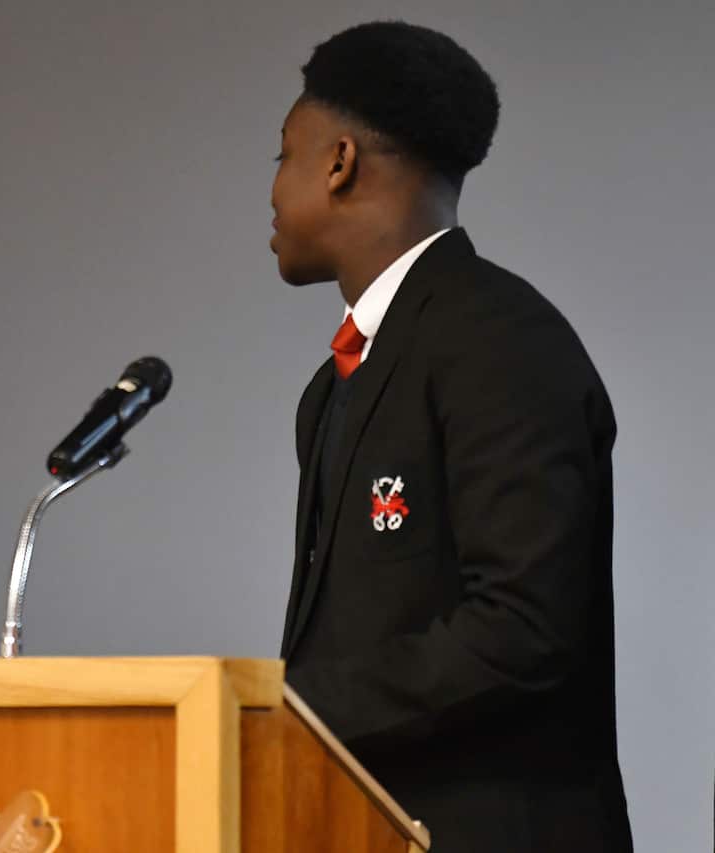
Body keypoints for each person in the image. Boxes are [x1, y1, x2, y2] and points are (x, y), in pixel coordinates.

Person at [269, 22, 632, 852]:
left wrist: (287, 709)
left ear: (339, 162)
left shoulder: (501, 340)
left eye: (281, 155)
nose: (272, 189)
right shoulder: (333, 385)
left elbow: (523, 628)